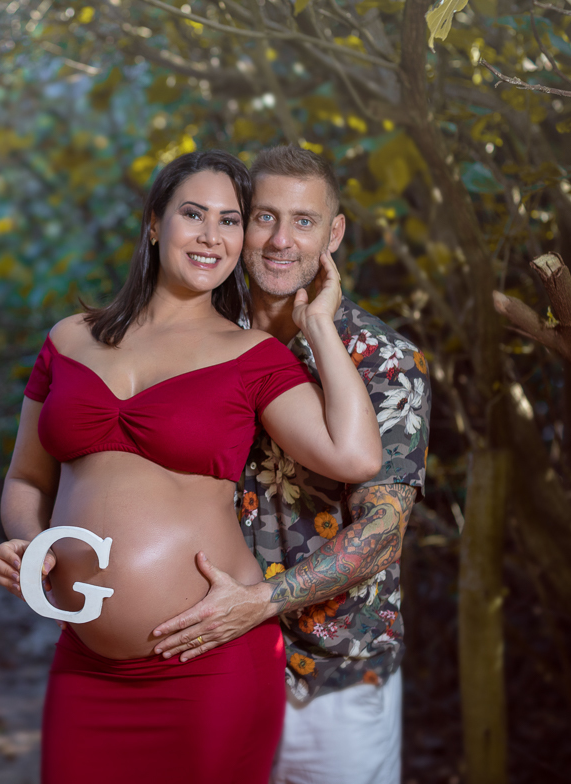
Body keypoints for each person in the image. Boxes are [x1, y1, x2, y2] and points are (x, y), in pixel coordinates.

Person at [0, 149, 384, 783]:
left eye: (231, 221)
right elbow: (27, 479)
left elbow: (356, 455)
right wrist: (30, 548)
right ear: (154, 223)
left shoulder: (252, 355)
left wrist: (317, 322)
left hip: (210, 663)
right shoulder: (68, 339)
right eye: (193, 214)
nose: (211, 236)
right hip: (86, 664)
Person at [147, 145, 431, 784]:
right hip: (209, 653)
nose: (280, 240)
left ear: (333, 234)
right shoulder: (190, 340)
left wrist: (259, 601)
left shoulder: (385, 362)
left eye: (303, 222)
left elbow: (382, 533)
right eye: (263, 218)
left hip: (335, 672)